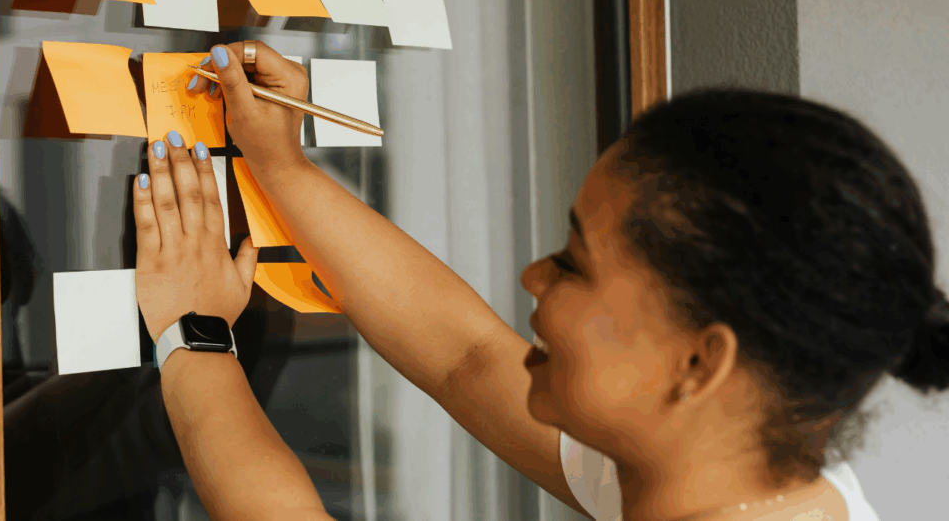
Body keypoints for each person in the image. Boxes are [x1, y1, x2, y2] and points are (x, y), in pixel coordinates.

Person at [133, 41, 949, 520]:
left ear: (701, 365)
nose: (532, 275)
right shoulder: (743, 475)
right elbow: (467, 360)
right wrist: (282, 168)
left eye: (573, 263)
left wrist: (193, 335)